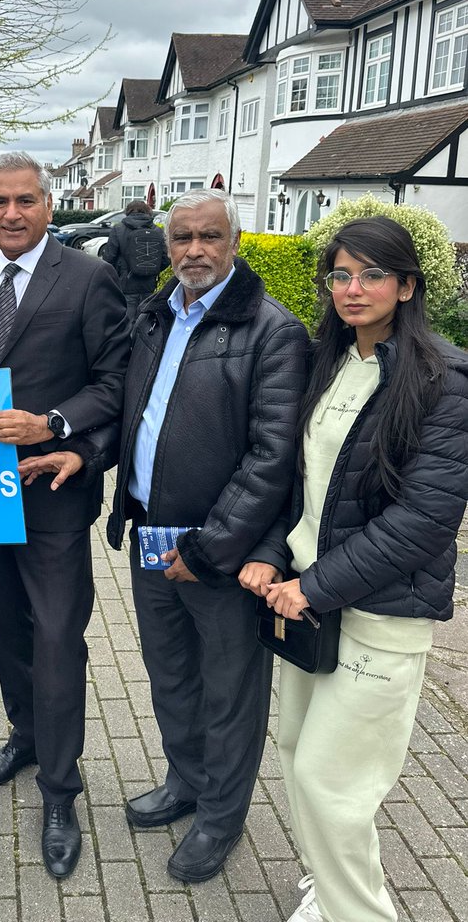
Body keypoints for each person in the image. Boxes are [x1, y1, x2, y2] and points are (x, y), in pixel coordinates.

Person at [240, 217, 468, 922]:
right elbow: (307, 488)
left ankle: (359, 912)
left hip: (377, 615)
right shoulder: (329, 361)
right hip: (310, 605)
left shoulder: (443, 380)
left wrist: (309, 585)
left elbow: (422, 521)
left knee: (330, 782)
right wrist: (272, 554)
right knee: (296, 754)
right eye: (340, 275)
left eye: (372, 275)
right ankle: (328, 882)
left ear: (406, 286)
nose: (353, 289)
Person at [107, 187, 309, 883]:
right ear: (167, 246)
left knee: (230, 692)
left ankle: (222, 816)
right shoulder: (155, 315)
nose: (194, 250)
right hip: (150, 539)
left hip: (217, 554)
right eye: (182, 238)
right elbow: (133, 411)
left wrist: (211, 547)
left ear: (235, 243)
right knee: (171, 679)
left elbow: (272, 457)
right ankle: (186, 782)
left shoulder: (273, 331)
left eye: (209, 237)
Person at [0, 151, 129, 879]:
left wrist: (54, 424)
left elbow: (118, 382)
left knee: (58, 638)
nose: (12, 214)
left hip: (53, 491)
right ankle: (27, 735)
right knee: (6, 629)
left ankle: (61, 787)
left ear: (49, 206)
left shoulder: (90, 279)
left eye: (26, 200)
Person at [102, 199, 170, 317]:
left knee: (126, 320)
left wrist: (118, 275)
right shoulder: (157, 230)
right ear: (148, 212)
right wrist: (152, 270)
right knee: (146, 318)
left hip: (125, 283)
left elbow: (109, 258)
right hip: (149, 283)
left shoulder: (118, 229)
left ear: (127, 212)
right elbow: (166, 258)